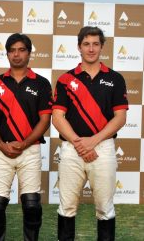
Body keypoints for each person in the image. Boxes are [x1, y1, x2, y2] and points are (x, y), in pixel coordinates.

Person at [52, 26, 127, 241]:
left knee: (105, 208)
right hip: (71, 148)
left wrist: (93, 141)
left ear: (102, 47)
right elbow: (57, 117)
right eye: (86, 44)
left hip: (102, 148)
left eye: (95, 44)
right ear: (79, 47)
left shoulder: (115, 78)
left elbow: (120, 118)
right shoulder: (66, 79)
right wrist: (79, 143)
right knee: (67, 207)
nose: (91, 49)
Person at [0, 33, 52, 241]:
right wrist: (1, 145)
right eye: (12, 50)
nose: (16, 54)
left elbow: (44, 121)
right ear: (7, 54)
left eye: (21, 50)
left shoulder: (41, 83)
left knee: (31, 205)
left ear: (29, 53)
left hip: (30, 150)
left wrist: (23, 144)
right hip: (0, 150)